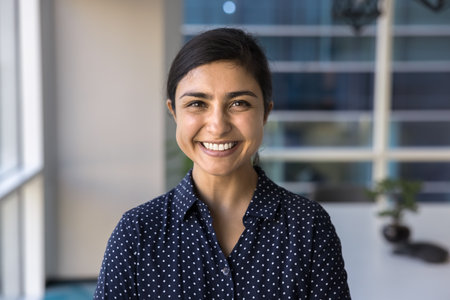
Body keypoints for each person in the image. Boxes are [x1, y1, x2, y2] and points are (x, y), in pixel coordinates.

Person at [94, 27, 351, 299]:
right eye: (197, 104)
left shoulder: (308, 228)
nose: (217, 126)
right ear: (174, 113)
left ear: (265, 112)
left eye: (239, 103)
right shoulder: (136, 233)